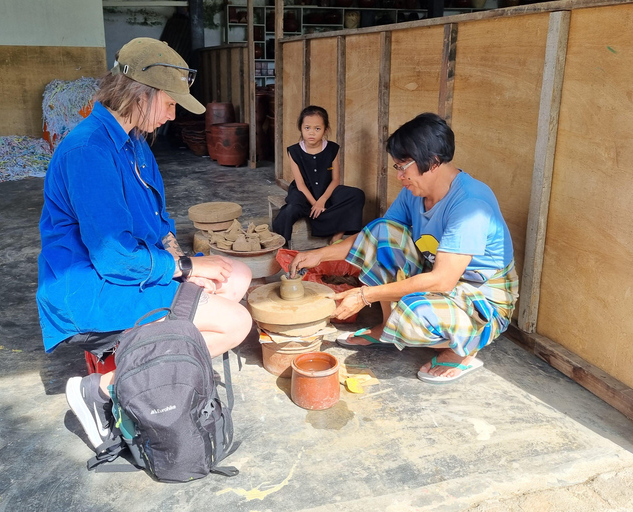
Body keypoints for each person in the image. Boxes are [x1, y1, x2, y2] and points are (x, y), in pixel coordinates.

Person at [36, 38, 253, 449]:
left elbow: (158, 225)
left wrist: (184, 260)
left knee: (235, 275)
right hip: (92, 289)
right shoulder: (89, 151)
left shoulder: (134, 143)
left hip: (129, 268)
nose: (173, 114)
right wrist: (187, 271)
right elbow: (112, 255)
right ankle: (101, 390)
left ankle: (168, 363)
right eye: (170, 103)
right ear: (142, 93)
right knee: (236, 323)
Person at [290, 113, 519, 384]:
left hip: (482, 296)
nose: (399, 176)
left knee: (413, 314)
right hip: (439, 275)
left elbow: (443, 280)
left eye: (402, 167)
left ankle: (465, 349)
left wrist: (365, 296)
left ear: (432, 162)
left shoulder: (470, 204)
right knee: (382, 231)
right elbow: (373, 237)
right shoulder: (414, 192)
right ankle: (387, 328)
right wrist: (317, 255)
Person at [272, 105, 365, 245]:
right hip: (303, 191)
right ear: (301, 128)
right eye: (307, 128)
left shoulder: (332, 149)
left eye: (317, 128)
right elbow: (301, 184)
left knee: (357, 195)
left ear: (325, 130)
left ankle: (337, 235)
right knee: (292, 208)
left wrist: (322, 200)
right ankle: (281, 245)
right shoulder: (294, 151)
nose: (311, 133)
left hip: (327, 189)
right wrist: (315, 203)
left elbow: (335, 180)